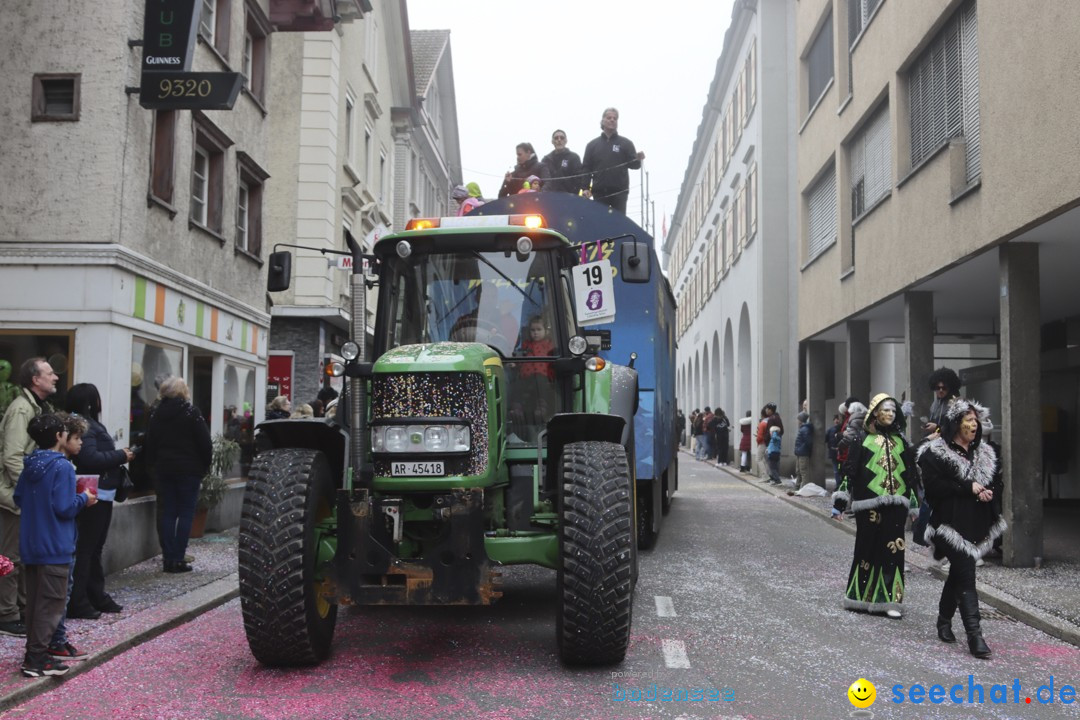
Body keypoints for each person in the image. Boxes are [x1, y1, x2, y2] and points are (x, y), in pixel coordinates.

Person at [917, 399, 1005, 659]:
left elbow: (998, 481)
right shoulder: (935, 453)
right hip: (949, 524)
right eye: (968, 421)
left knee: (959, 572)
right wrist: (967, 488)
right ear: (956, 424)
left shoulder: (987, 453)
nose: (973, 425)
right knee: (967, 574)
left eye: (975, 421)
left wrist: (990, 492)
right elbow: (933, 489)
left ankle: (944, 620)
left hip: (977, 522)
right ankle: (975, 636)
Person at [14, 413, 96, 677]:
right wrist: (84, 498)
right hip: (56, 544)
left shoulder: (30, 464)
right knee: (50, 605)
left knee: (35, 603)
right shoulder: (61, 467)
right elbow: (64, 507)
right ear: (59, 436)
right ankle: (36, 660)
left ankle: (35, 654)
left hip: (31, 542)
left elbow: (19, 497)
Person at [833, 393, 919, 619]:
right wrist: (840, 502)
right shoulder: (861, 439)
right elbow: (849, 471)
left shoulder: (902, 442)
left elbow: (910, 476)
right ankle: (860, 597)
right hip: (867, 504)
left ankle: (889, 599)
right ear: (875, 413)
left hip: (897, 504)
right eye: (885, 410)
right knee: (866, 548)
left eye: (893, 410)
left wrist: (913, 504)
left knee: (894, 550)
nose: (890, 414)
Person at [0, 357, 59, 638]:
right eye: (50, 373)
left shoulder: (34, 406)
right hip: (12, 496)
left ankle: (21, 609)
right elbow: (12, 456)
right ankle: (7, 614)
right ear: (35, 379)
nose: (56, 377)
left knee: (21, 556)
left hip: (20, 494)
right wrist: (24, 493)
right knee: (10, 558)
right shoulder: (22, 409)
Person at [64, 384, 133, 619]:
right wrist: (121, 455)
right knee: (87, 548)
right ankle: (80, 600)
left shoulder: (85, 424)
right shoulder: (85, 426)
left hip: (100, 491)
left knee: (92, 548)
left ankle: (94, 595)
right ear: (91, 402)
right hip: (94, 493)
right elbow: (90, 458)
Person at [144, 377, 212, 573]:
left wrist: (152, 466)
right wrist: (204, 466)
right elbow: (205, 443)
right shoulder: (191, 412)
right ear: (183, 392)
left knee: (169, 512)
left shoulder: (157, 414)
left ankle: (168, 558)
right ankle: (178, 557)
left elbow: (151, 442)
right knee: (186, 513)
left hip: (164, 469)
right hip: (189, 470)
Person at [914, 368, 962, 546]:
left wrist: (938, 428)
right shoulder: (936, 404)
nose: (940, 390)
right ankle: (926, 536)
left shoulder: (956, 404)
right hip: (935, 453)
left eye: (944, 387)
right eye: (937, 387)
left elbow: (955, 429)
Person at [581, 107, 645, 214]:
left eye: (615, 118)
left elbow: (634, 165)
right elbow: (586, 168)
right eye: (609, 117)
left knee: (618, 224)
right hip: (599, 192)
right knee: (600, 223)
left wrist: (638, 158)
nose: (612, 120)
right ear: (603, 121)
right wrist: (585, 188)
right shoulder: (592, 145)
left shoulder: (626, 143)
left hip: (620, 193)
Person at [541, 129, 586, 195]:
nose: (559, 140)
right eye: (556, 138)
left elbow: (579, 179)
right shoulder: (546, 160)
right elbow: (542, 180)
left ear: (566, 141)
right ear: (552, 141)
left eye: (562, 138)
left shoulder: (574, 158)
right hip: (549, 199)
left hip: (569, 199)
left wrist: (573, 194)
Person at [793, 411, 814, 489]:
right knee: (798, 471)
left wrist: (807, 451)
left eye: (798, 419)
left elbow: (808, 442)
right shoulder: (803, 428)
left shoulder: (805, 429)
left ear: (801, 420)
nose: (797, 421)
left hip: (803, 453)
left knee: (803, 471)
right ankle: (798, 487)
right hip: (800, 452)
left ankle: (804, 488)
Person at [825, 414, 842, 490]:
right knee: (836, 470)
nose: (837, 420)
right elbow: (826, 439)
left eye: (838, 419)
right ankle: (838, 484)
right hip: (833, 452)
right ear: (833, 420)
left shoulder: (842, 428)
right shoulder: (830, 430)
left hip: (841, 452)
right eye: (835, 419)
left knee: (840, 469)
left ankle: (840, 484)